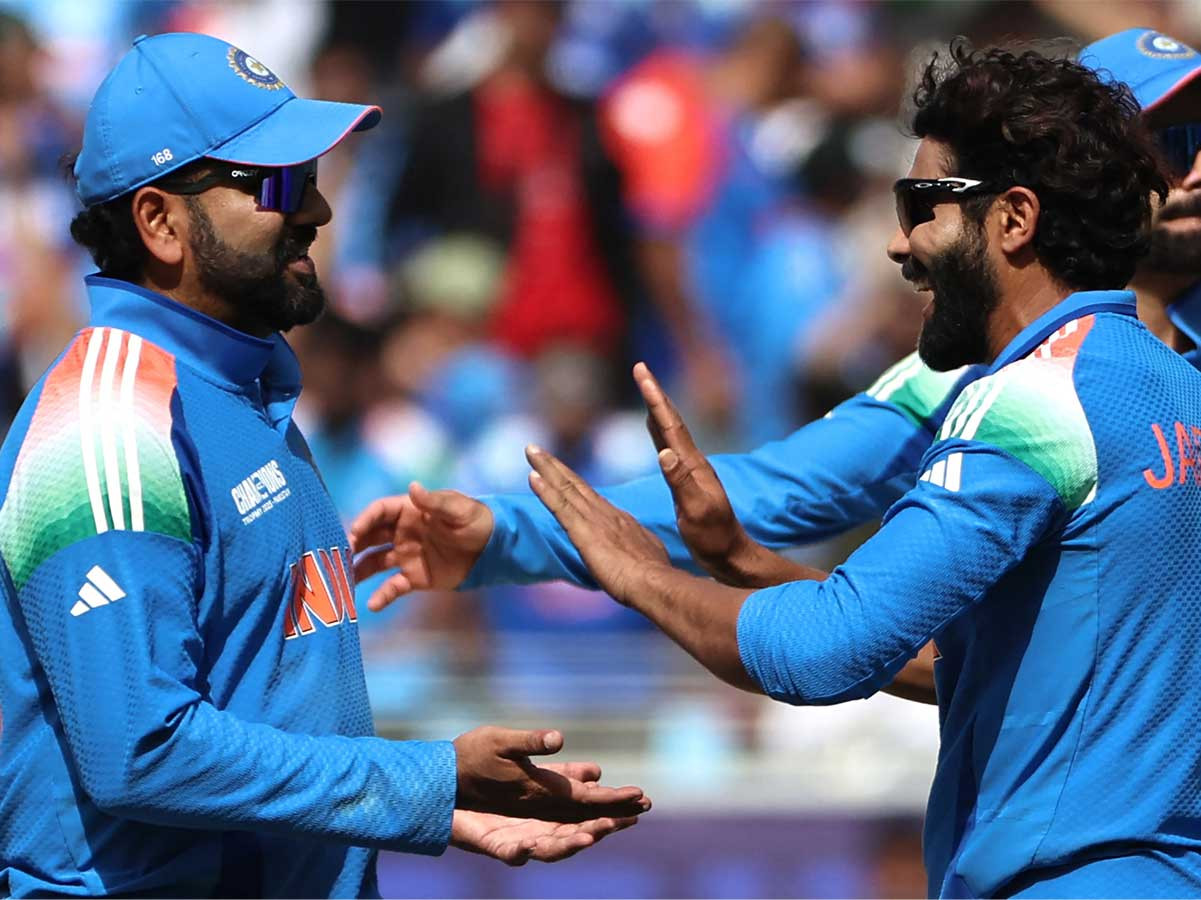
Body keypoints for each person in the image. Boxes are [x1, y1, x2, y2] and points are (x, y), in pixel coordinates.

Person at [365, 41, 1201, 895]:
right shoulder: (1140, 384)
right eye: (1169, 144)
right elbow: (995, 657)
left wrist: (638, 575)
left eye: (921, 205)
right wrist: (523, 534)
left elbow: (826, 648)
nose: (896, 243)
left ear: (1019, 215)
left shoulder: (1031, 399)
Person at [0, 33, 651, 899]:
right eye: (273, 184)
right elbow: (143, 750)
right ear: (159, 222)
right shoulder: (109, 426)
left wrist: (421, 808)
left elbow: (262, 716)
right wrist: (422, 781)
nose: (315, 209)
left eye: (306, 177)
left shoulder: (239, 392)